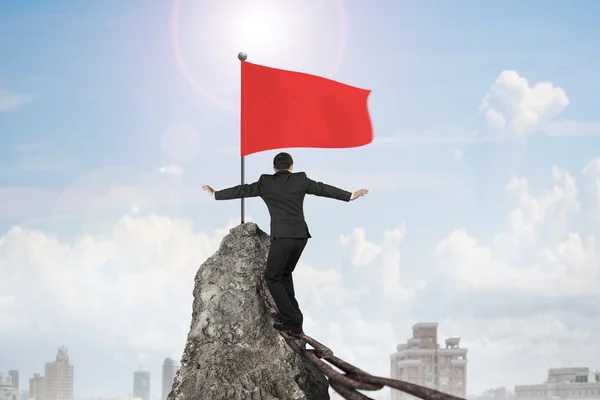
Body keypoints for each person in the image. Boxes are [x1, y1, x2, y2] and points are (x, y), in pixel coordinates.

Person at [202, 152, 368, 336]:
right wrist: (350, 195)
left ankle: (292, 318)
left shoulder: (266, 182)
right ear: (292, 166)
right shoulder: (301, 180)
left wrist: (216, 194)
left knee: (272, 278)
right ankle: (296, 324)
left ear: (274, 169)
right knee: (285, 274)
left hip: (282, 238)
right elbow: (322, 189)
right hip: (300, 237)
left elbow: (243, 190)